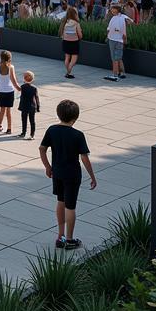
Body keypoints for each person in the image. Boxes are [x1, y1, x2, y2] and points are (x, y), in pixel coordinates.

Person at [39, 99, 97, 250]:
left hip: (57, 172)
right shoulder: (78, 135)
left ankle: (60, 236)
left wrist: (47, 166)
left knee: (60, 201)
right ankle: (70, 240)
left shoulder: (52, 130)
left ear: (58, 114)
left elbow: (42, 148)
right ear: (75, 117)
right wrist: (92, 176)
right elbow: (84, 157)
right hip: (72, 175)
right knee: (70, 207)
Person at [0, 49, 20, 135]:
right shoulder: (11, 67)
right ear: (9, 58)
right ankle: (9, 128)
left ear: (1, 57)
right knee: (8, 111)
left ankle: (0, 125)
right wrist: (20, 89)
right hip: (9, 91)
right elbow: (14, 81)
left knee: (2, 109)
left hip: (0, 91)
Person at [104, 4, 130, 81]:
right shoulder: (118, 18)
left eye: (113, 9)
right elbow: (110, 29)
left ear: (117, 10)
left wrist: (107, 37)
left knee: (114, 58)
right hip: (117, 40)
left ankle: (115, 74)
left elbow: (109, 29)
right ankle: (122, 73)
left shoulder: (117, 18)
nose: (111, 11)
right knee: (118, 57)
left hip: (115, 40)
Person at [61, 6, 82, 79]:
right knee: (74, 59)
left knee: (67, 57)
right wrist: (80, 37)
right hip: (74, 42)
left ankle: (68, 72)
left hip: (66, 41)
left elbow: (62, 33)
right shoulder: (76, 23)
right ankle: (68, 72)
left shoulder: (65, 22)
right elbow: (80, 34)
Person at [18, 70, 40, 140]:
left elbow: (21, 97)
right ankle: (32, 134)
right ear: (33, 79)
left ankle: (23, 133)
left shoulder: (22, 87)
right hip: (32, 106)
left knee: (24, 120)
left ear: (24, 78)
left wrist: (20, 106)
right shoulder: (34, 88)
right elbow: (36, 98)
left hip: (24, 106)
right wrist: (38, 107)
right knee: (32, 121)